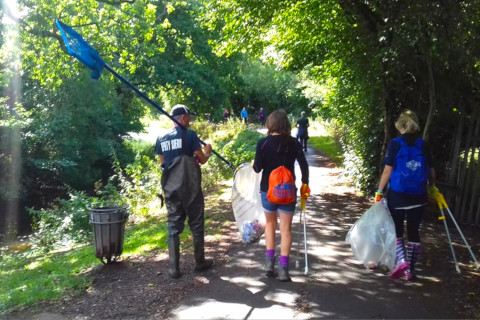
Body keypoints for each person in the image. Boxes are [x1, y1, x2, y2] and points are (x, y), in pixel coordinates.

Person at [154, 104, 214, 279]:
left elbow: (163, 163)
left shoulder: (161, 138)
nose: (190, 120)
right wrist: (207, 152)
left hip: (171, 188)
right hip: (190, 187)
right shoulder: (191, 135)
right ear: (182, 118)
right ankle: (199, 262)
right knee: (196, 222)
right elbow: (202, 160)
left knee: (173, 225)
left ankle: (174, 269)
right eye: (188, 117)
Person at [376, 109, 436, 281]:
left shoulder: (395, 144)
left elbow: (387, 171)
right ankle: (410, 270)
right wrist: (431, 187)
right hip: (418, 195)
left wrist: (379, 191)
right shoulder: (423, 145)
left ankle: (401, 260)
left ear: (399, 125)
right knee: (414, 231)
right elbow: (432, 171)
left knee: (397, 230)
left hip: (398, 195)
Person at [253, 109, 309, 282]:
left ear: (270, 124)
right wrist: (305, 184)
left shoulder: (262, 143)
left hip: (267, 191)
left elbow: (257, 168)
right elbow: (304, 165)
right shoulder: (294, 143)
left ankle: (270, 263)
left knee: (270, 224)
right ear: (286, 124)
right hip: (287, 191)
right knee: (286, 229)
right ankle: (283, 269)